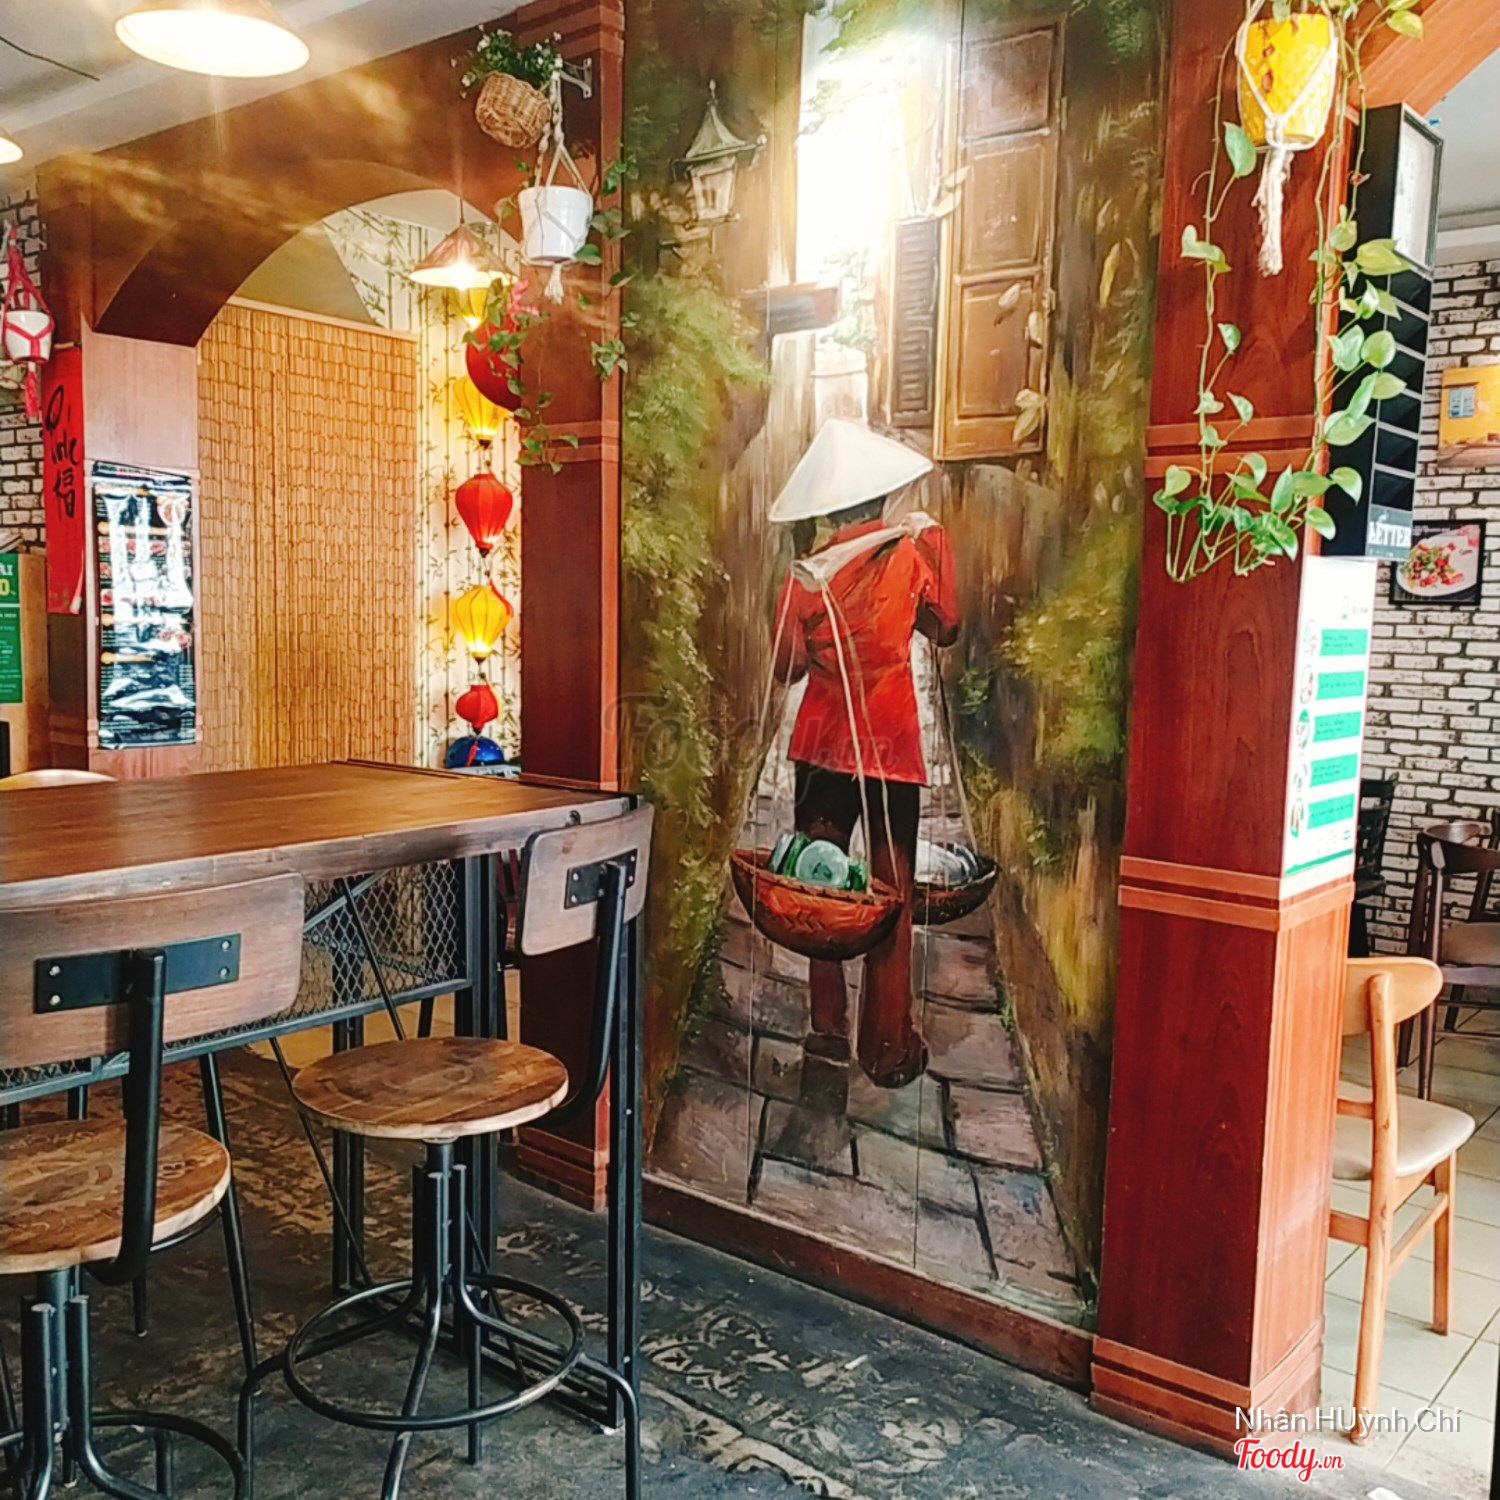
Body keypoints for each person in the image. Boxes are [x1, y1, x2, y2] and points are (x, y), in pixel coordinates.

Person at [769, 418, 958, 1090]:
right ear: (881, 498)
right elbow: (946, 627)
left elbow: (786, 667)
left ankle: (826, 1023)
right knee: (891, 893)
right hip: (891, 749)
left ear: (828, 507)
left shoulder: (807, 575)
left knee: (817, 888)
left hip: (822, 747)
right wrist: (935, 546)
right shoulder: (910, 555)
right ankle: (885, 1044)